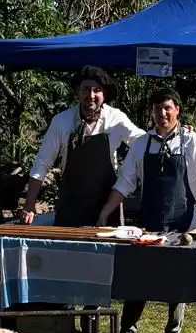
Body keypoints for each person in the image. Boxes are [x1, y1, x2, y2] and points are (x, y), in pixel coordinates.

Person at [97, 87, 196, 333]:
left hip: (184, 224)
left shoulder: (193, 141)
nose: (161, 113)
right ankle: (128, 330)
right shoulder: (141, 144)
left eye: (167, 108)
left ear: (178, 110)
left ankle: (173, 331)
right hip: (149, 224)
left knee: (180, 278)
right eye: (156, 109)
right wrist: (106, 211)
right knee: (138, 277)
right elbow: (126, 181)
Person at [21, 66, 144, 227]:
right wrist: (30, 205)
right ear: (78, 91)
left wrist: (177, 131)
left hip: (106, 207)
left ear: (104, 94)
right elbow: (41, 163)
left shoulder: (117, 119)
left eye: (97, 90)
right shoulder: (61, 121)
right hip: (71, 205)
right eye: (86, 89)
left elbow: (143, 142)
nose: (91, 95)